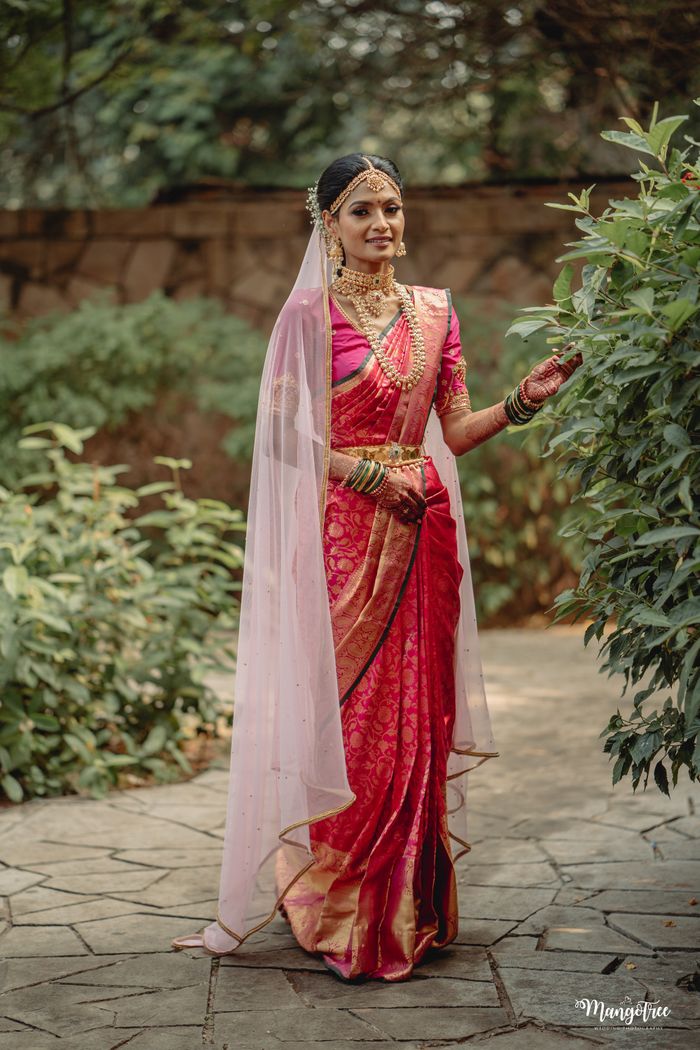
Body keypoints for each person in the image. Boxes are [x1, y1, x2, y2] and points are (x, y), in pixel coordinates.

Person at [171, 153, 583, 982]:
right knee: (356, 724)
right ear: (328, 223)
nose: (381, 224)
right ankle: (344, 905)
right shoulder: (306, 316)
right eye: (361, 210)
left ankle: (411, 910)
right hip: (347, 536)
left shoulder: (436, 312)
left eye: (392, 207)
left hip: (423, 530)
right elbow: (283, 439)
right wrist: (367, 475)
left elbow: (457, 431)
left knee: (418, 720)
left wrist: (528, 398)